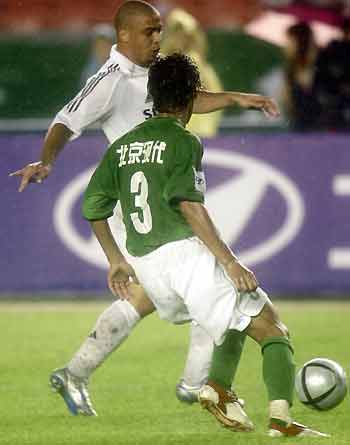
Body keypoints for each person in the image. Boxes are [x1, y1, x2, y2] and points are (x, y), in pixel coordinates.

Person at [10, 0, 279, 414]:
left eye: (159, 30)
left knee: (151, 295)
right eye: (150, 31)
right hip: (138, 206)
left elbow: (187, 101)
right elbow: (66, 120)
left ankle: (77, 372)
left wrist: (239, 99)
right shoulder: (110, 80)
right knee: (211, 282)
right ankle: (195, 383)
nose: (158, 37)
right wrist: (47, 160)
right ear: (124, 36)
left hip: (155, 197)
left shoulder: (152, 73)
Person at [81, 52, 328, 437]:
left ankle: (217, 387)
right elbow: (189, 206)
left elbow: (93, 207)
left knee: (229, 319)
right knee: (273, 328)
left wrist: (116, 259)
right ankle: (282, 420)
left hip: (147, 264)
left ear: (153, 93)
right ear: (190, 98)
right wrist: (230, 262)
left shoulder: (122, 147)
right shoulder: (184, 141)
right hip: (184, 256)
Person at [161, 8, 223, 137]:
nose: (180, 40)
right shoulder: (161, 62)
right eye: (176, 34)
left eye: (185, 36)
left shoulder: (196, 62)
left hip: (197, 130)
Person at [283, 22, 319, 131]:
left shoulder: (318, 64)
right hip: (299, 123)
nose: (286, 45)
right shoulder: (291, 68)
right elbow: (287, 99)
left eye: (289, 40)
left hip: (318, 125)